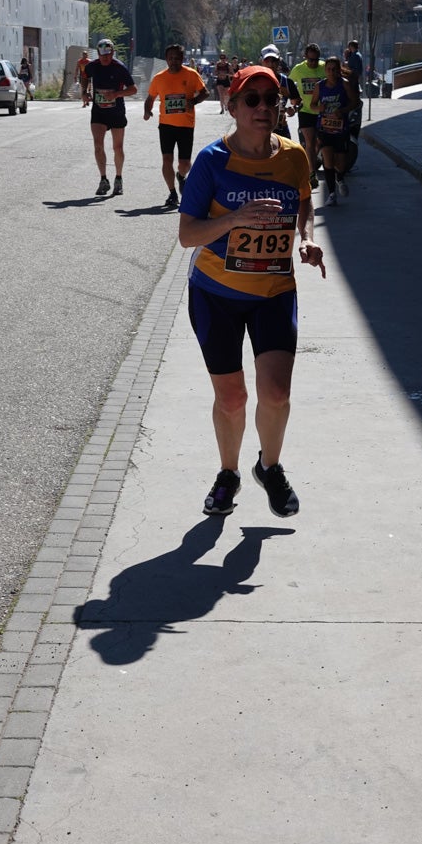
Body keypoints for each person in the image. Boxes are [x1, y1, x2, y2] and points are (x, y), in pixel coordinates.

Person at [178, 64, 326, 518]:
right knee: (232, 398)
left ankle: (270, 467)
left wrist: (306, 238)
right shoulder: (211, 161)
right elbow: (187, 234)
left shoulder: (294, 156)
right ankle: (228, 473)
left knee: (276, 393)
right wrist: (233, 220)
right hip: (216, 293)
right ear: (234, 106)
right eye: (253, 99)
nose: (264, 107)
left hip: (274, 290)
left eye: (272, 99)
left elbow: (303, 203)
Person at [143, 44, 209, 208]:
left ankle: (181, 175)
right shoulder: (159, 78)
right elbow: (150, 98)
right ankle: (172, 192)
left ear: (182, 59)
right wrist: (147, 111)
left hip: (186, 125)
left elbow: (205, 92)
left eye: (177, 58)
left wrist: (193, 101)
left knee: (185, 163)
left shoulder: (191, 74)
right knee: (167, 159)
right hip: (166, 125)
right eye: (171, 58)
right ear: (166, 59)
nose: (174, 61)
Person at [80, 39, 138, 196]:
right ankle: (103, 179)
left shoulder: (119, 68)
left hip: (116, 111)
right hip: (99, 111)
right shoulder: (92, 66)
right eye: (102, 55)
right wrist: (84, 92)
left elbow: (133, 89)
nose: (105, 58)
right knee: (98, 145)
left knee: (117, 147)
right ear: (98, 54)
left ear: (113, 52)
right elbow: (84, 75)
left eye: (108, 55)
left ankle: (118, 178)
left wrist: (116, 94)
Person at [310, 55, 361, 207]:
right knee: (328, 159)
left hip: (341, 129)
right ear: (325, 71)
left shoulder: (344, 85)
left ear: (339, 70)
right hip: (324, 128)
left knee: (341, 163)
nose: (331, 72)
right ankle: (332, 194)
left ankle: (340, 178)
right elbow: (312, 104)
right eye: (328, 69)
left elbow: (355, 102)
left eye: (334, 69)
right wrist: (319, 108)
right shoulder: (320, 86)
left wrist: (343, 110)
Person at [289, 43, 326, 190]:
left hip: (323, 112)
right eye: (310, 60)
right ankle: (312, 174)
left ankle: (313, 161)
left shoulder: (324, 67)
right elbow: (289, 86)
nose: (313, 63)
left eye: (316, 60)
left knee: (320, 141)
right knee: (309, 142)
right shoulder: (298, 69)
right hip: (305, 111)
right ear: (305, 58)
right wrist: (292, 104)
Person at [259, 44, 300, 140]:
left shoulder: (287, 82)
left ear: (279, 62)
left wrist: (293, 108)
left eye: (274, 61)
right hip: (260, 128)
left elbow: (297, 102)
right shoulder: (255, 81)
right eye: (267, 61)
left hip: (281, 128)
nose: (271, 64)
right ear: (261, 61)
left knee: (287, 153)